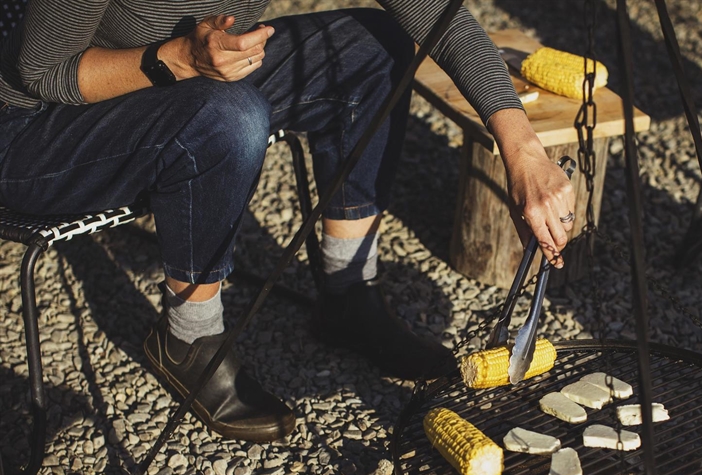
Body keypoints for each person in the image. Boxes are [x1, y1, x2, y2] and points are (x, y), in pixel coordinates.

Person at [0, 0, 576, 443]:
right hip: (38, 131)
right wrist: (179, 58)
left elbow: (435, 13)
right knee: (230, 115)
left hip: (190, 86)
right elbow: (42, 69)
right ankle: (188, 339)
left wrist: (523, 151)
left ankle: (348, 295)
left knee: (377, 45)